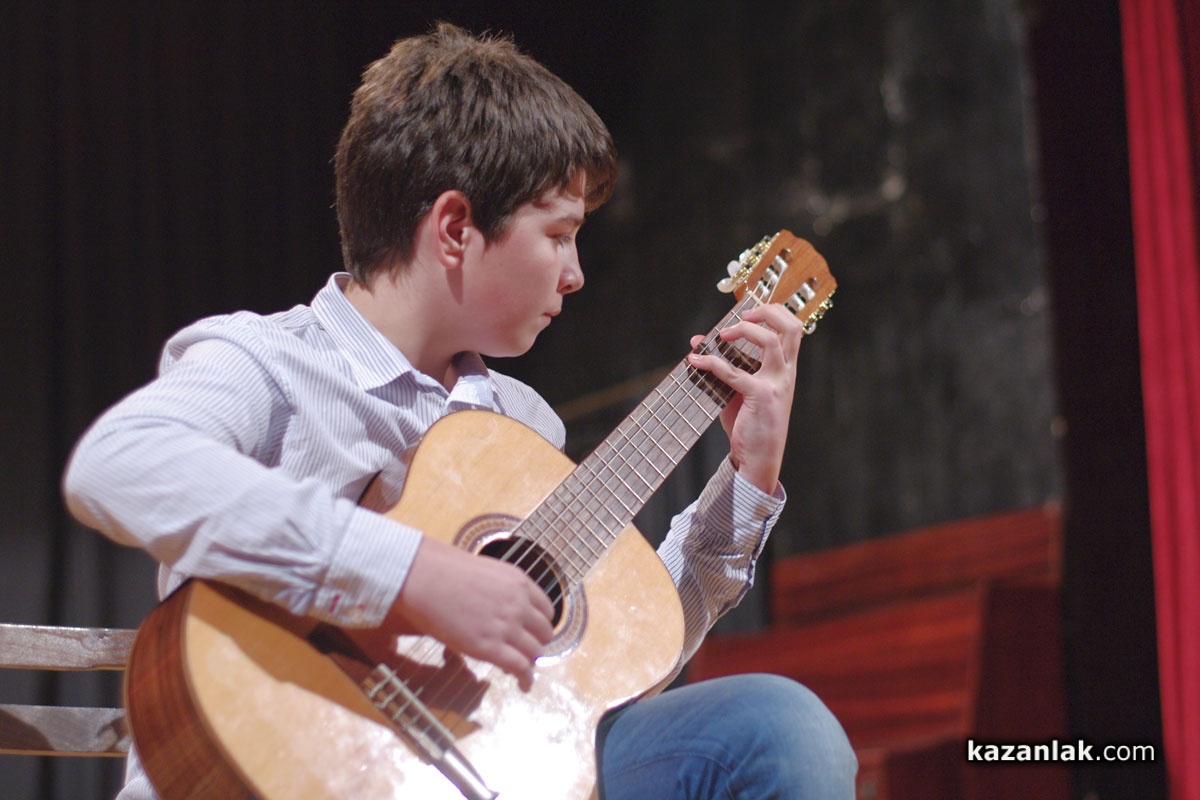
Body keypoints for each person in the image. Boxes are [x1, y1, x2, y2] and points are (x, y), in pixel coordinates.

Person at [63, 22, 856, 799]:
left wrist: (747, 479)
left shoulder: (522, 423)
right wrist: (413, 575)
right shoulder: (271, 362)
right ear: (454, 228)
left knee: (778, 727)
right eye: (560, 234)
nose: (576, 273)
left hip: (484, 770)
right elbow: (120, 462)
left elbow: (611, 666)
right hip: (276, 765)